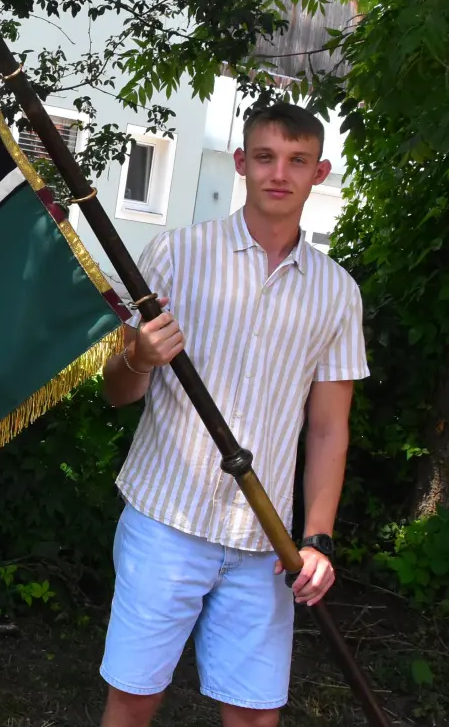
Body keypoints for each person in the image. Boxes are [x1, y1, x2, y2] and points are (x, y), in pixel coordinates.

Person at [96, 101, 369, 727]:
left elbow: (329, 429)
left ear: (319, 172)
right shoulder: (175, 255)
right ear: (242, 162)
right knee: (134, 701)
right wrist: (138, 357)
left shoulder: (337, 292)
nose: (281, 173)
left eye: (298, 161)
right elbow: (117, 392)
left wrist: (316, 539)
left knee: (254, 716)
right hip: (167, 521)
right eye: (267, 157)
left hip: (264, 542)